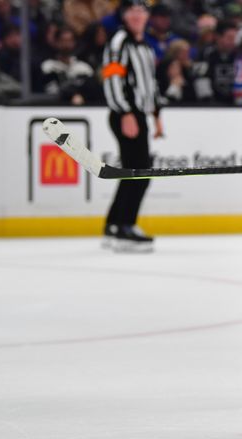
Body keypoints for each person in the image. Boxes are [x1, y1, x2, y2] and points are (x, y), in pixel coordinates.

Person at [101, 0, 163, 252]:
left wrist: (156, 115)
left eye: (142, 10)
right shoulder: (119, 42)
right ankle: (124, 226)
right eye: (132, 11)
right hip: (126, 113)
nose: (137, 15)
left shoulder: (146, 46)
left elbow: (150, 84)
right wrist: (125, 111)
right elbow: (112, 78)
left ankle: (116, 224)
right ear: (124, 16)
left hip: (138, 114)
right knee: (138, 173)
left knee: (134, 172)